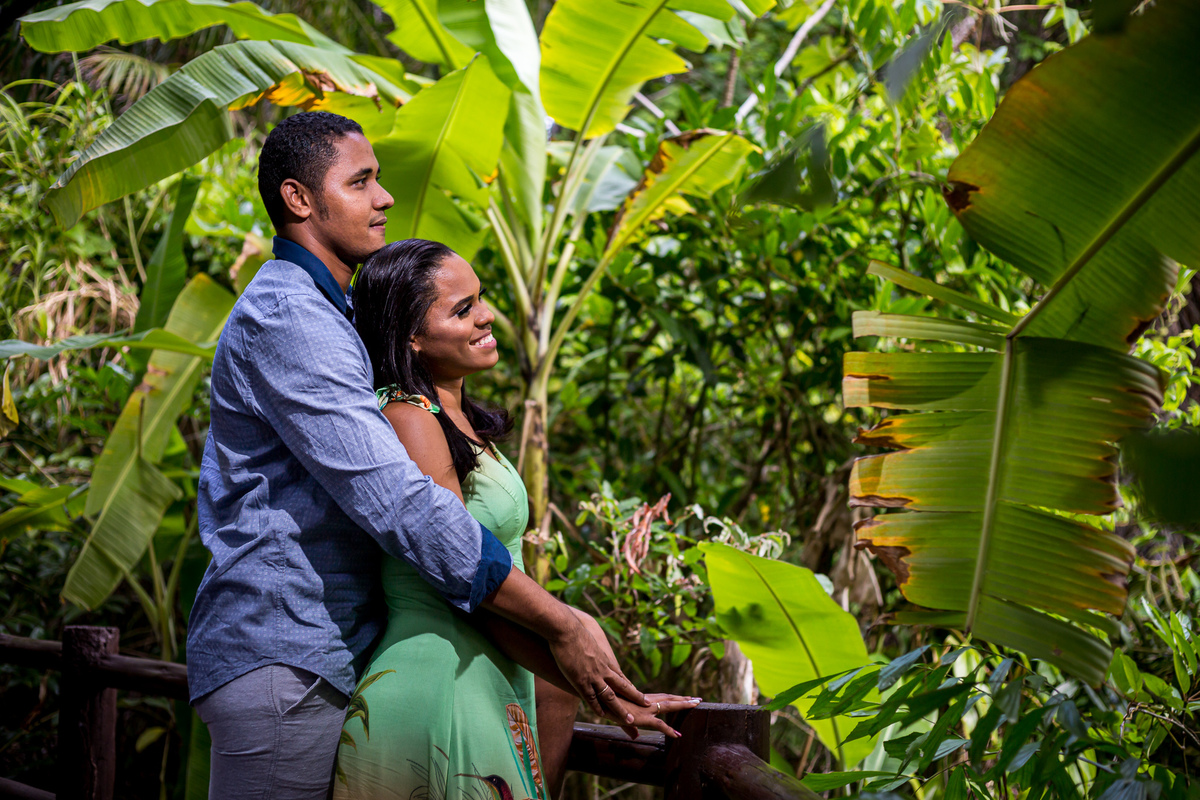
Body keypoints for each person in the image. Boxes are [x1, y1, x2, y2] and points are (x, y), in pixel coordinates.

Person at [187, 111, 650, 800]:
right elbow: (399, 502)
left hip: (326, 654)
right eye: (362, 181)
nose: (385, 199)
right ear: (299, 199)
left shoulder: (334, 314)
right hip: (286, 656)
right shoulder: (291, 318)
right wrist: (561, 620)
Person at [335, 239, 700, 800]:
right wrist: (571, 642)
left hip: (485, 671)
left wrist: (589, 678)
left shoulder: (454, 416)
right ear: (411, 336)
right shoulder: (409, 416)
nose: (486, 317)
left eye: (480, 299)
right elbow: (460, 575)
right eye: (462, 310)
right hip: (439, 679)